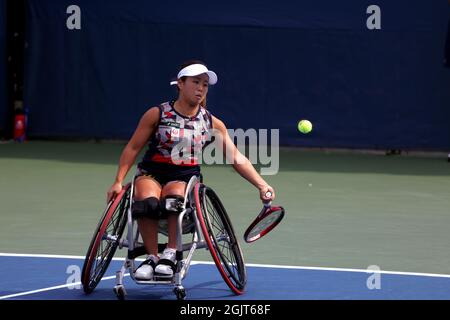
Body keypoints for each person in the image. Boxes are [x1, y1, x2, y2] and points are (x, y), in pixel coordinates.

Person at [106, 60, 275, 280]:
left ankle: (170, 254)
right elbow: (133, 147)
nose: (201, 88)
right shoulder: (157, 113)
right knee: (146, 201)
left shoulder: (212, 122)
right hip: (152, 172)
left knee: (174, 199)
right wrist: (118, 181)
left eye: (205, 84)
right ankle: (152, 257)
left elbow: (236, 157)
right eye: (196, 82)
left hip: (184, 176)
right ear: (180, 83)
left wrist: (262, 184)